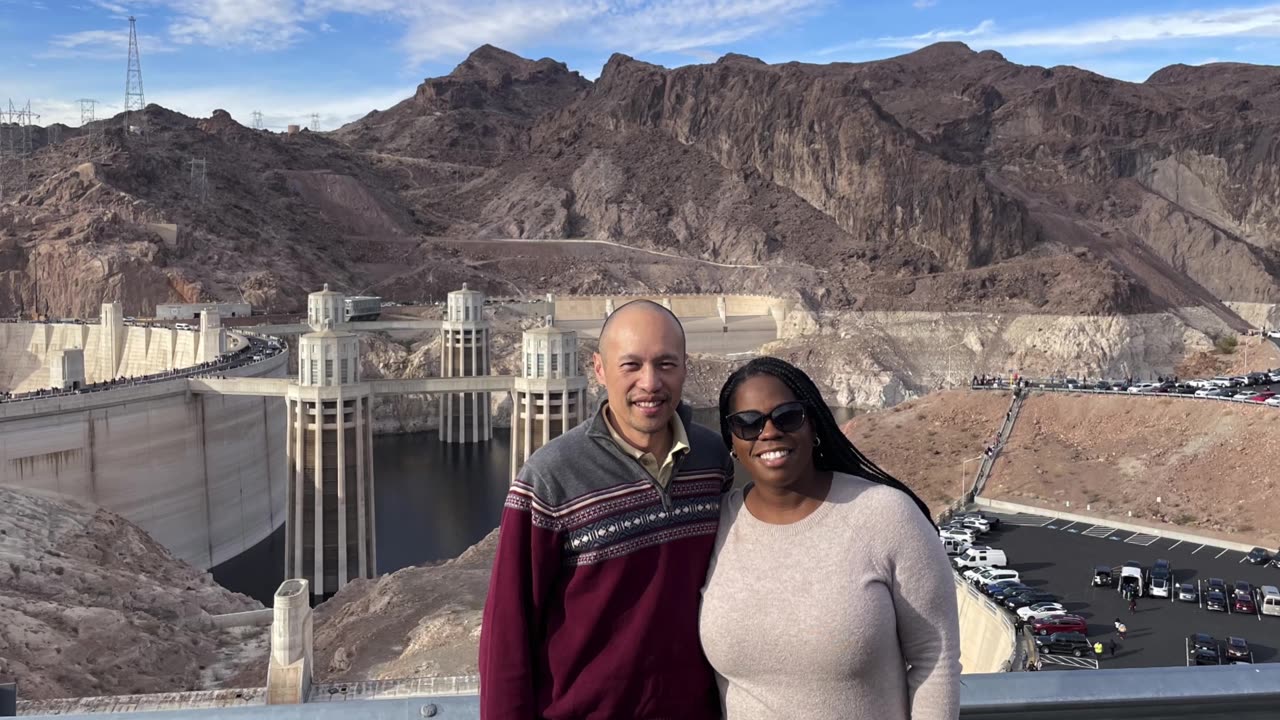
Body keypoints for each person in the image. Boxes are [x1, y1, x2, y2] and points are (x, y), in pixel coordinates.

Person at [479, 300, 733, 720]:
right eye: (630, 365)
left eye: (666, 364)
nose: (649, 383)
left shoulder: (712, 461)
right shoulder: (550, 477)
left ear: (686, 367)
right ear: (599, 369)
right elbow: (508, 633)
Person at [700, 357, 960, 720]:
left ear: (814, 426)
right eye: (747, 423)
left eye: (787, 416)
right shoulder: (716, 524)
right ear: (732, 442)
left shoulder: (885, 515)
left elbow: (935, 654)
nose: (769, 432)